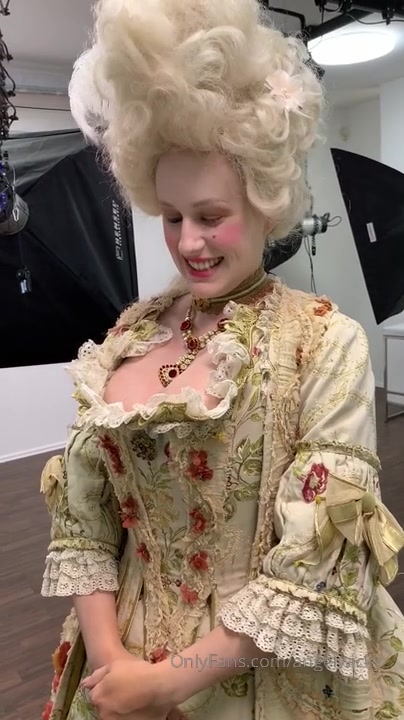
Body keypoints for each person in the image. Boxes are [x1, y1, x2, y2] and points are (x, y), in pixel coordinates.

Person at [40, 1, 404, 719]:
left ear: (265, 204)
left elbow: (313, 566)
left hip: (268, 675)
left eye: (211, 216)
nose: (188, 243)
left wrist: (170, 683)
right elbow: (85, 520)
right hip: (120, 666)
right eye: (172, 217)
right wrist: (113, 664)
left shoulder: (323, 343)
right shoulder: (129, 335)